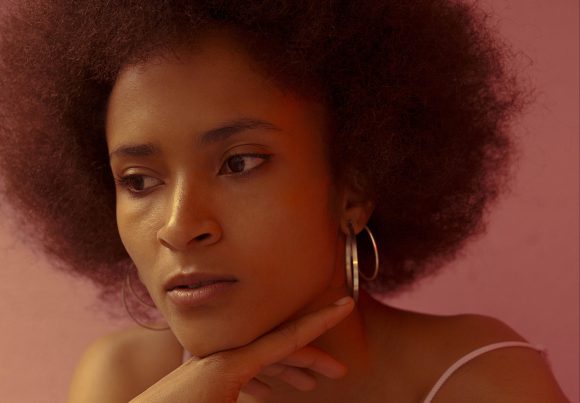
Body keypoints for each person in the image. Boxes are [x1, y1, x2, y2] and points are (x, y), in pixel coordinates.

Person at [0, 1, 569, 402]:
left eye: (239, 163)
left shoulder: (480, 381)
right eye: (139, 181)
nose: (178, 226)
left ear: (353, 187)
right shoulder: (124, 381)